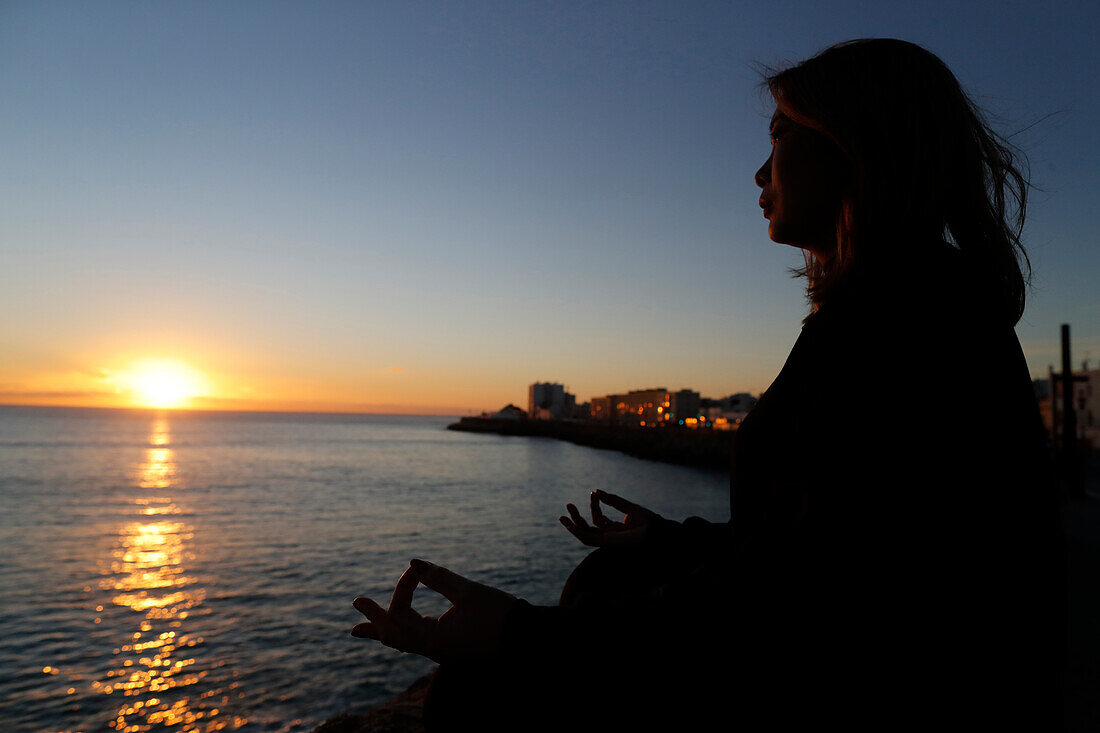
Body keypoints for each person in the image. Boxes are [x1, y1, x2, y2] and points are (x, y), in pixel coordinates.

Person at [350, 39, 1065, 730]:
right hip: (878, 663)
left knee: (478, 695)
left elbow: (799, 606)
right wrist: (669, 540)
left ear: (856, 142)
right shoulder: (912, 304)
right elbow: (831, 542)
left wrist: (519, 631)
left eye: (780, 132)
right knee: (605, 580)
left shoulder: (902, 323)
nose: (759, 172)